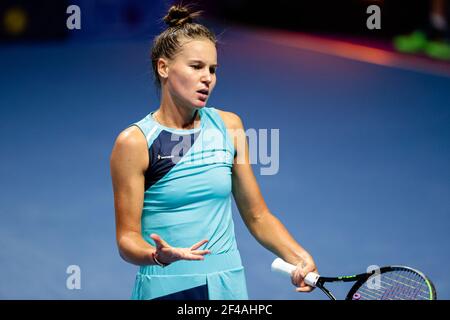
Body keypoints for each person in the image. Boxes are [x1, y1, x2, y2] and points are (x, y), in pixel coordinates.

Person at [110, 3, 317, 300]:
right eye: (196, 67)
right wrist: (158, 255)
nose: (207, 77)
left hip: (227, 286)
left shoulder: (229, 126)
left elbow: (257, 215)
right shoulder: (134, 142)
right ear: (164, 67)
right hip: (166, 288)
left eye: (212, 69)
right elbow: (127, 238)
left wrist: (298, 255)